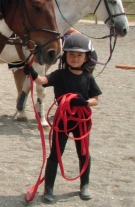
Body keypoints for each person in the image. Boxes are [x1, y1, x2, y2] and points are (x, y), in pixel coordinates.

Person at [24, 34, 102, 204]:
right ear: (65, 55)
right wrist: (32, 73)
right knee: (55, 154)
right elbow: (43, 81)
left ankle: (84, 185)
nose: (75, 58)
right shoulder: (59, 74)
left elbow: (96, 99)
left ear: (87, 57)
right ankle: (49, 189)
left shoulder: (88, 78)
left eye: (79, 55)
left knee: (83, 152)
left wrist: (86, 102)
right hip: (62, 120)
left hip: (81, 121)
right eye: (71, 55)